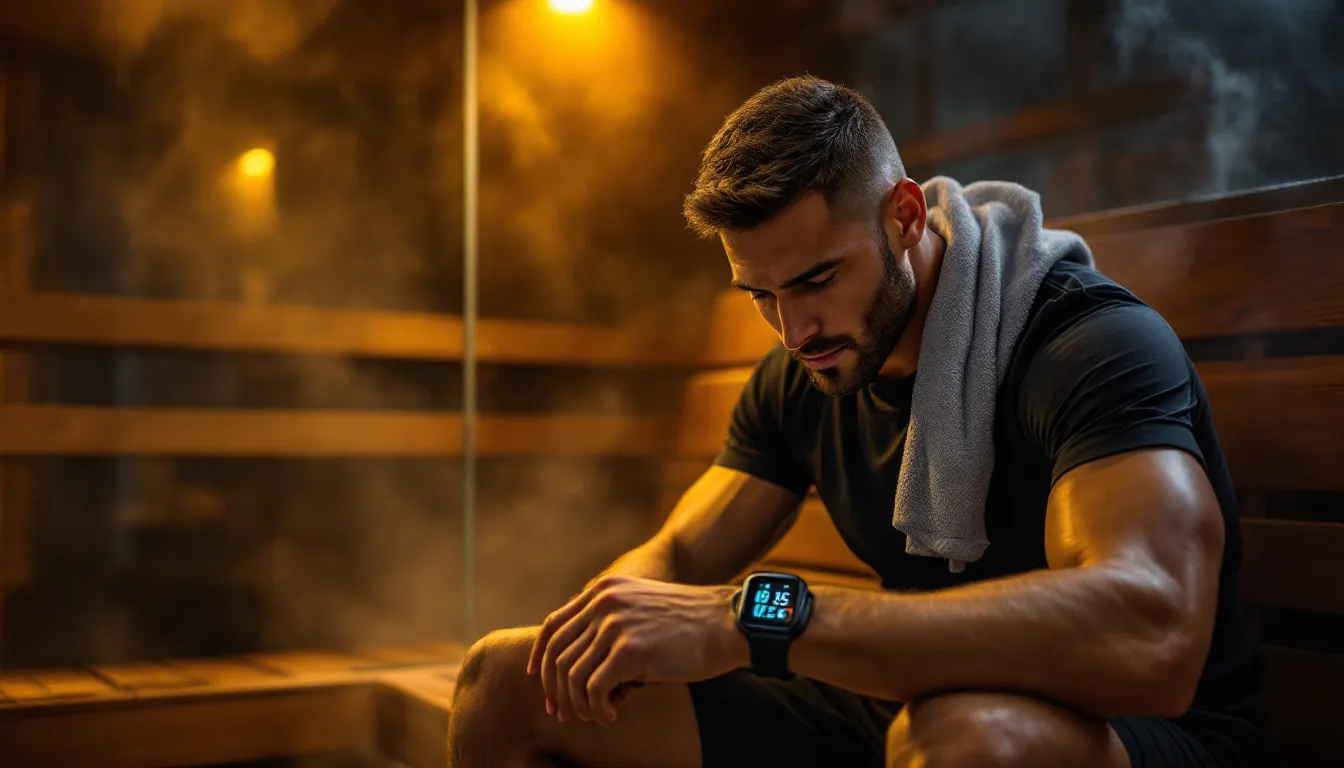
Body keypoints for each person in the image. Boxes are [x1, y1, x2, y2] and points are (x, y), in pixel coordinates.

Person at [446, 75, 1263, 768]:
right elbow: (680, 553)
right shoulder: (803, 373)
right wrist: (596, 635)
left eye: (816, 279)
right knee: (503, 678)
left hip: (1133, 732)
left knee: (960, 738)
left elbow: (1148, 633)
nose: (793, 330)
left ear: (904, 216)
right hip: (909, 700)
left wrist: (759, 619)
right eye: (762, 296)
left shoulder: (1089, 346)